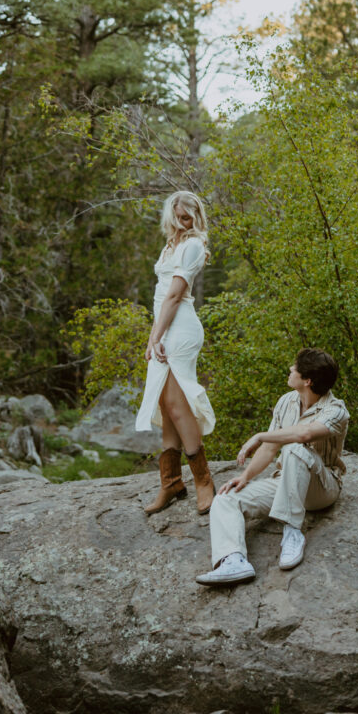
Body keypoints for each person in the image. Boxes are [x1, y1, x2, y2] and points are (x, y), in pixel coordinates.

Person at [196, 348, 349, 586]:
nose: (290, 369)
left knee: (296, 448)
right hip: (285, 482)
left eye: (295, 368)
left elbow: (304, 434)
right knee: (226, 497)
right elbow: (268, 449)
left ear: (307, 381)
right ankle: (233, 560)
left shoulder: (337, 410)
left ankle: (292, 532)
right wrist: (245, 476)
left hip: (321, 488)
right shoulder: (286, 401)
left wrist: (259, 435)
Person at [136, 191, 216, 515]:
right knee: (165, 405)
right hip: (164, 329)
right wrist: (152, 339)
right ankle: (170, 482)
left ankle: (204, 481)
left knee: (176, 404)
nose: (185, 223)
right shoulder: (171, 244)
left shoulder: (194, 245)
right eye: (180, 217)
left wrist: (156, 337)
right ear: (171, 216)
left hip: (180, 330)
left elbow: (173, 297)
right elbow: (160, 298)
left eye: (190, 217)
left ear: (197, 218)